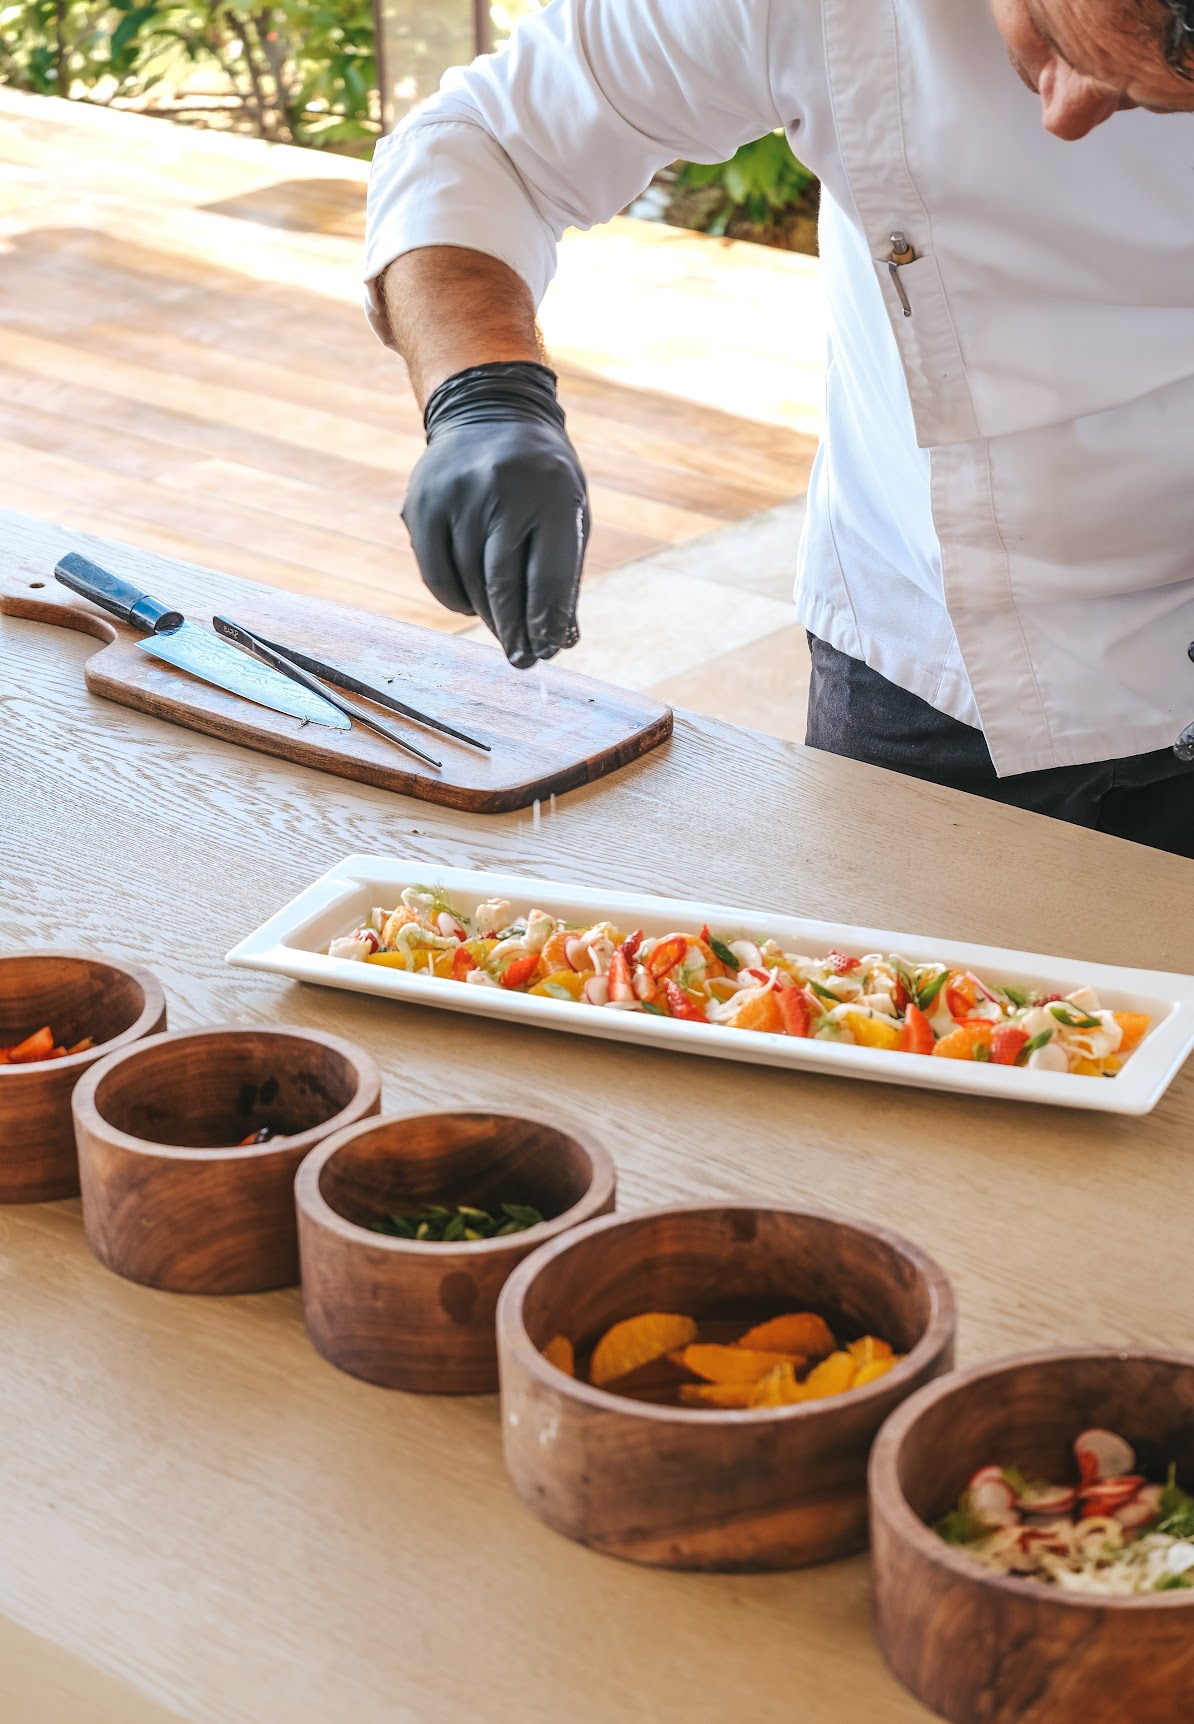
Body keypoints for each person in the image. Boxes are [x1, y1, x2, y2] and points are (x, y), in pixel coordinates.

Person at [365, 0, 1194, 857]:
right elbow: (488, 142)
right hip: (935, 653)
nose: (1065, 113)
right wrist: (487, 393)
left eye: (1157, 92)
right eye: (1053, 37)